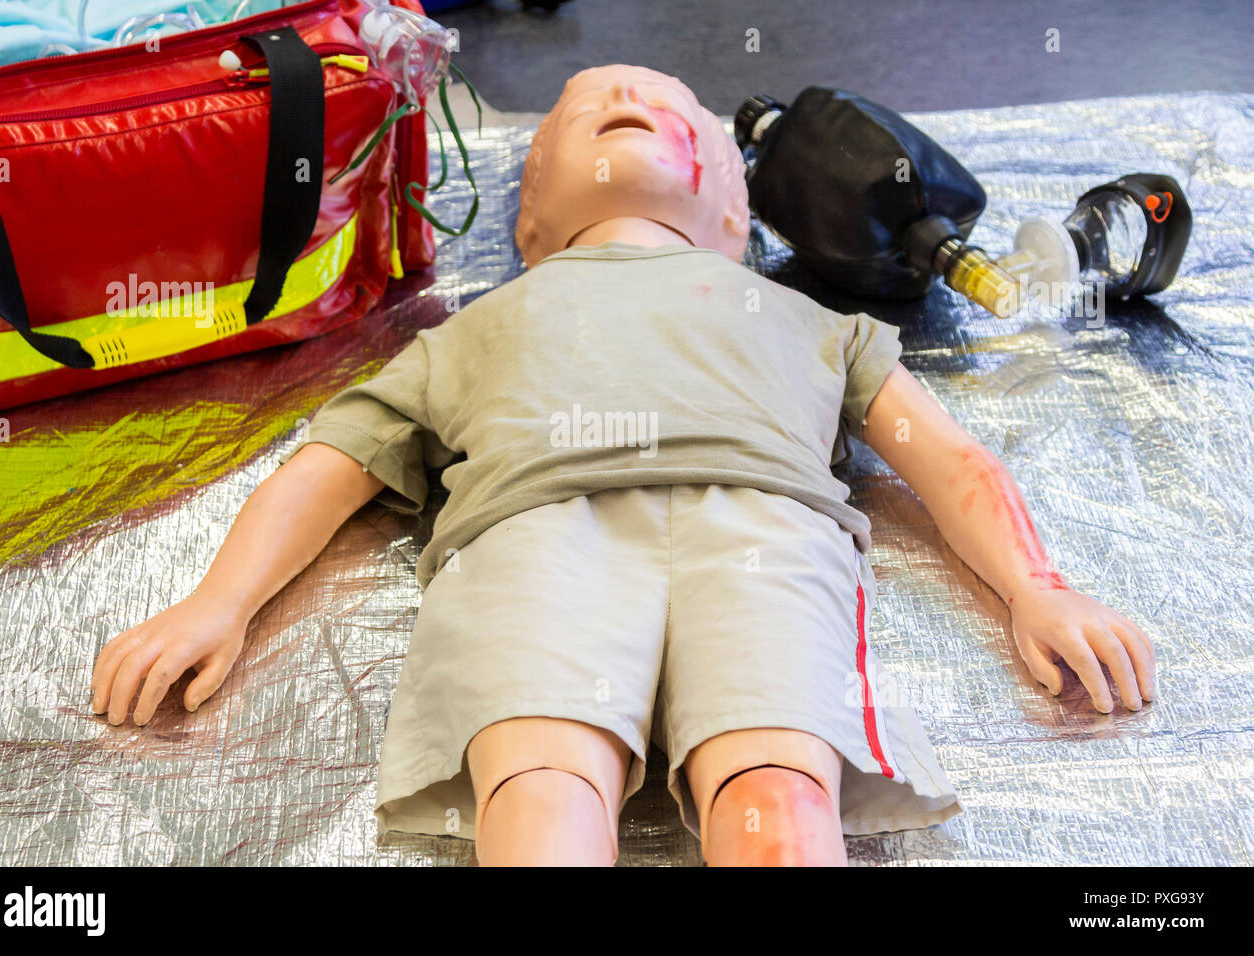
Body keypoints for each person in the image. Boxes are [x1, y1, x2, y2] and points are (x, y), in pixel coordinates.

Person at [90, 65, 1156, 867]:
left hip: (763, 537)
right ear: (530, 223)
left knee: (780, 803)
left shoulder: (817, 324)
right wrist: (217, 605)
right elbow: (327, 461)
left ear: (735, 216)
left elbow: (948, 456)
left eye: (670, 109)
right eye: (581, 107)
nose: (628, 94)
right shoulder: (472, 329)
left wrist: (1037, 587)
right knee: (545, 799)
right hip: (534, 537)